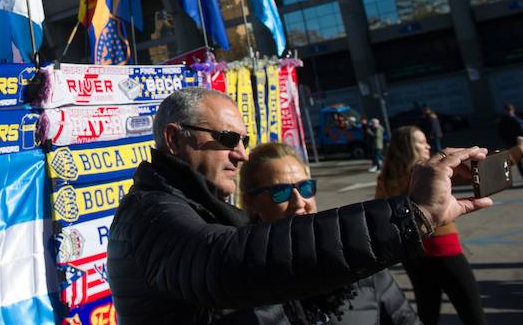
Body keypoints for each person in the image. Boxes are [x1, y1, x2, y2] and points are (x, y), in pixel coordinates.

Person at [107, 87, 491, 324]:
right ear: (174, 139)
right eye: (227, 138)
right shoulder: (147, 213)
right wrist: (413, 214)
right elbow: (224, 264)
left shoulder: (206, 210)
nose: (241, 154)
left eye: (244, 140)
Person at [241, 142, 419, 324]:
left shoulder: (356, 253)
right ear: (250, 202)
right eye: (280, 192)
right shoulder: (241, 276)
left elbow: (404, 318)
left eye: (305, 188)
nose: (300, 202)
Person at [376, 126, 484, 325]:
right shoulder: (424, 173)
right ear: (407, 147)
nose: (428, 145)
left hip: (411, 252)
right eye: (421, 141)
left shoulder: (385, 178)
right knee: (472, 312)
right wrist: (515, 153)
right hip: (442, 247)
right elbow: (471, 176)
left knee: (427, 312)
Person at [497, 103, 523, 177]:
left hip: (515, 142)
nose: (509, 112)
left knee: (518, 160)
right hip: (514, 142)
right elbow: (501, 132)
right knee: (517, 160)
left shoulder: (516, 119)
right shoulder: (505, 120)